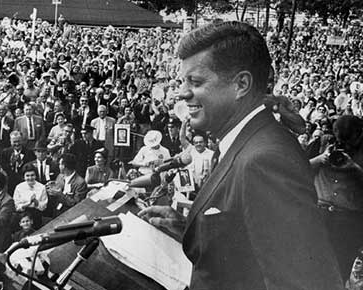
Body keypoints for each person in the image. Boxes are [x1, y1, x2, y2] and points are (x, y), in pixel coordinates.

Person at [139, 21, 342, 290]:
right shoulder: (247, 142)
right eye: (182, 81)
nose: (182, 92)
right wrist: (192, 228)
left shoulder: (265, 161)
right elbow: (247, 245)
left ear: (241, 84)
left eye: (196, 82)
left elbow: (306, 283)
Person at [310, 115, 363, 280]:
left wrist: (355, 169)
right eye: (341, 139)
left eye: (348, 141)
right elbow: (297, 170)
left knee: (339, 271)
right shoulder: (322, 143)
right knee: (312, 268)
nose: (344, 145)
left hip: (348, 219)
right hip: (320, 213)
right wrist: (320, 159)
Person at [13, 164, 47, 229]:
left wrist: (36, 203)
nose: (30, 178)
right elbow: (16, 206)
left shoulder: (42, 187)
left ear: (36, 176)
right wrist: (27, 204)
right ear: (24, 177)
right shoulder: (19, 187)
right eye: (27, 176)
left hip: (36, 215)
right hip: (22, 215)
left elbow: (44, 206)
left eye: (32, 175)